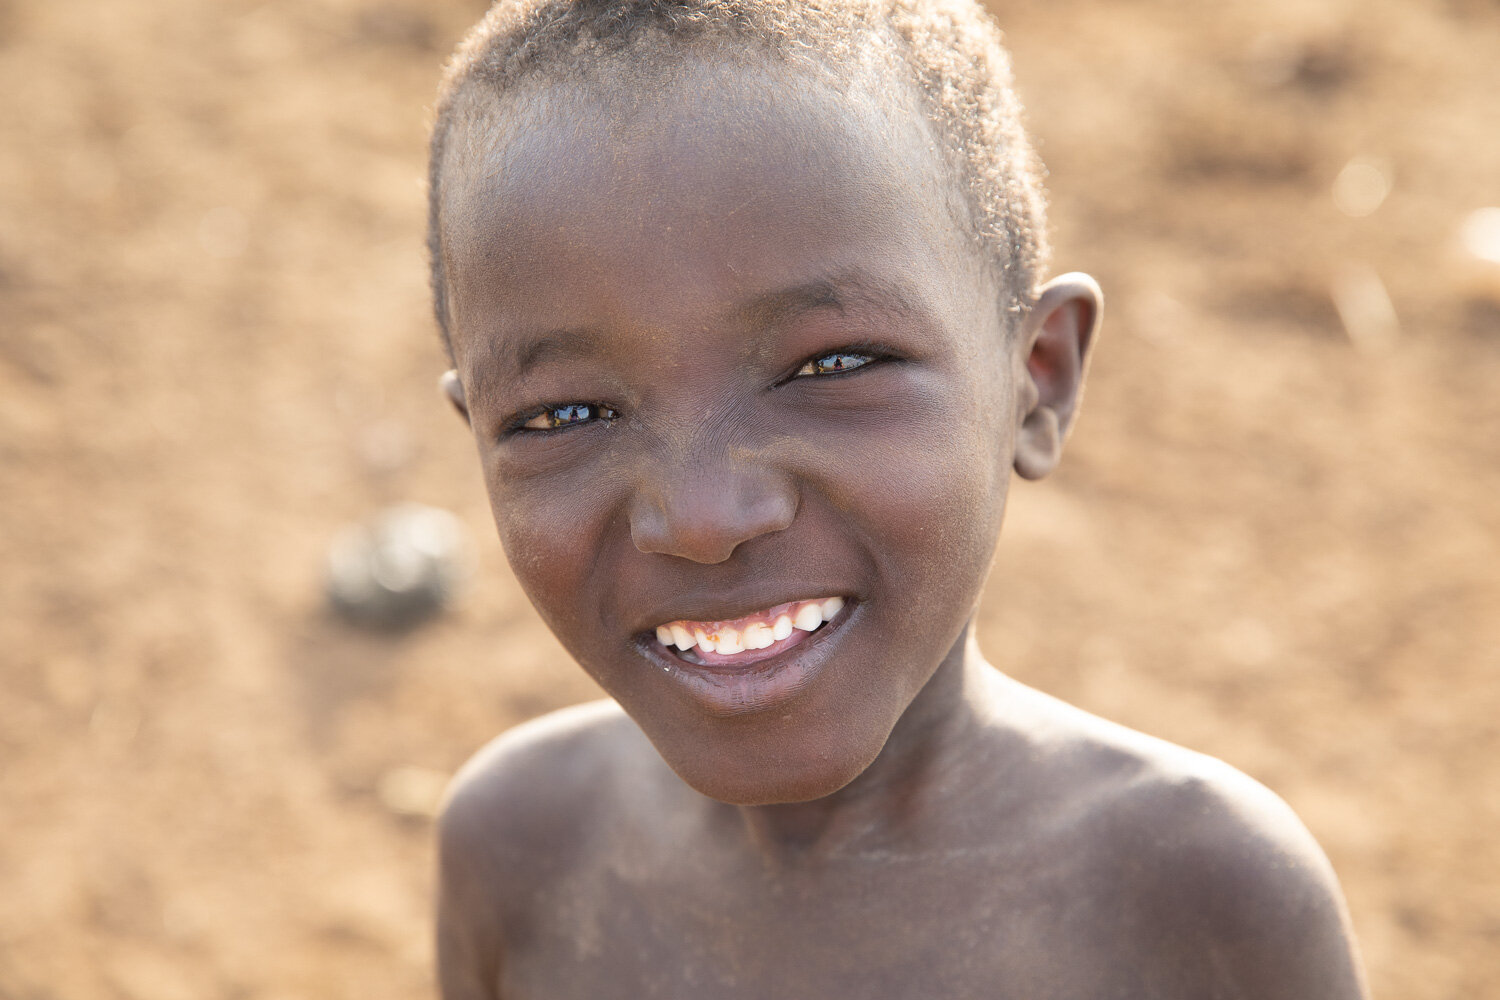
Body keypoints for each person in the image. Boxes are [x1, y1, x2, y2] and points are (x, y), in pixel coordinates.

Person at [425, 2, 1371, 996]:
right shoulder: (521, 849)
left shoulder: (1197, 900)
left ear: (1036, 376)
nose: (703, 516)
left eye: (834, 363)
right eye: (564, 414)